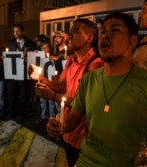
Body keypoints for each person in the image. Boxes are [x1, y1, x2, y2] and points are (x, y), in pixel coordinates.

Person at [47, 12, 147, 167]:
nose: (105, 36)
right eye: (102, 31)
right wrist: (60, 125)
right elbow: (73, 118)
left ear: (132, 40)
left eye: (115, 30)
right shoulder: (90, 79)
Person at [29, 19, 104, 167]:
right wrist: (41, 78)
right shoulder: (71, 60)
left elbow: (86, 103)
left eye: (75, 32)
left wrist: (52, 96)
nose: (69, 36)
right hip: (68, 129)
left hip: (84, 137)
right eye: (70, 32)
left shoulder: (96, 65)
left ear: (89, 38)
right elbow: (61, 86)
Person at [5, 24, 36, 123]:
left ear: (23, 32)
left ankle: (22, 115)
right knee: (12, 94)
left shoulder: (30, 44)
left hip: (24, 73)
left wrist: (29, 58)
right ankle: (12, 112)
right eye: (14, 32)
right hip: (14, 72)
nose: (15, 33)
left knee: (23, 95)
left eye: (18, 31)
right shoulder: (11, 43)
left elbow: (34, 56)